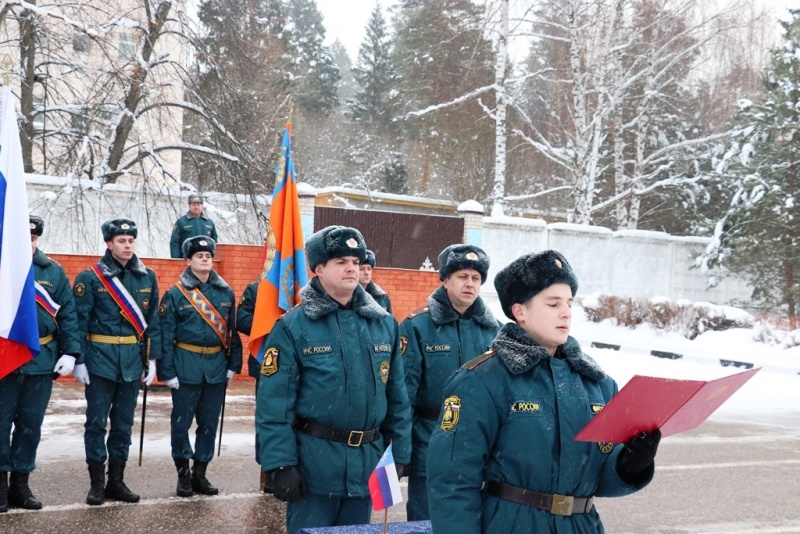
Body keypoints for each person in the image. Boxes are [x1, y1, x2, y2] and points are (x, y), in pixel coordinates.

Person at [427, 250, 661, 533]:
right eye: (553, 303)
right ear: (520, 311)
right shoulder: (481, 381)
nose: (566, 312)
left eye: (569, 303)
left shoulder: (598, 384)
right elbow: (453, 482)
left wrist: (629, 464)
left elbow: (600, 478)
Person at [255, 225, 412, 534]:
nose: (351, 268)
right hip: (314, 468)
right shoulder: (292, 327)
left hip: (367, 466)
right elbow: (274, 404)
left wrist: (402, 452)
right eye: (341, 261)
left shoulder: (383, 325)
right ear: (319, 269)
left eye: (356, 261)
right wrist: (281, 464)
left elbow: (397, 396)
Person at [400, 243, 500, 521]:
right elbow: (403, 394)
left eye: (476, 278)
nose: (470, 284)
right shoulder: (417, 326)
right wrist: (402, 448)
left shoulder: (495, 331)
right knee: (425, 523)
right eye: (462, 276)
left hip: (480, 446)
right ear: (445, 279)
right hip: (429, 443)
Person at [72, 218, 160, 506]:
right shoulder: (90, 278)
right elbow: (78, 321)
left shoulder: (147, 276)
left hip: (132, 363)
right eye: (121, 241)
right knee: (96, 424)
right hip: (100, 361)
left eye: (131, 240)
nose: (127, 245)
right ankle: (97, 483)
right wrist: (78, 360)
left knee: (123, 425)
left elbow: (153, 323)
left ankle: (116, 481)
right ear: (109, 244)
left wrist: (153, 360)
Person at [0, 216, 83, 513]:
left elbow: (69, 316)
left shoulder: (53, 272)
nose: (29, 242)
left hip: (40, 359)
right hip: (5, 360)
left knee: (29, 425)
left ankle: (20, 485)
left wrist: (71, 352)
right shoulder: (2, 267)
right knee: (0, 424)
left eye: (33, 238)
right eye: (24, 237)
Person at [158, 236, 242, 497]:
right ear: (188, 261)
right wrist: (167, 372)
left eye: (208, 256)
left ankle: (200, 473)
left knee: (208, 425)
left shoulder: (225, 292)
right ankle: (183, 475)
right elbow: (165, 335)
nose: (205, 259)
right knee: (181, 424)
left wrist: (232, 366)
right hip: (186, 366)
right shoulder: (175, 294)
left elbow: (232, 332)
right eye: (199, 256)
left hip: (215, 368)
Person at [169, 194, 218, 258]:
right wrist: (176, 260)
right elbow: (174, 243)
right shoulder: (181, 222)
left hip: (205, 260)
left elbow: (215, 243)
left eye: (198, 205)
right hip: (187, 259)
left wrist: (214, 258)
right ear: (189, 206)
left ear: (202, 206)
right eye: (193, 205)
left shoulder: (209, 223)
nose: (196, 207)